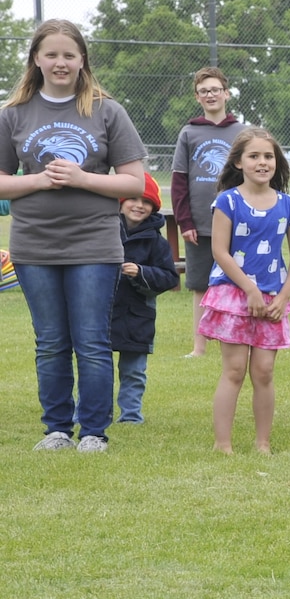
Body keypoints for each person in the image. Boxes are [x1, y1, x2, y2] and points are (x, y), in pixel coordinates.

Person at [0, 19, 147, 451]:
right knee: (50, 343)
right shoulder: (13, 113)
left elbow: (134, 184)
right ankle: (58, 429)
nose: (60, 62)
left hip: (94, 245)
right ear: (36, 60)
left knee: (92, 341)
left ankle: (95, 432)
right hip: (33, 245)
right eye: (52, 54)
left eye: (69, 54)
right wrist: (39, 181)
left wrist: (82, 177)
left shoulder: (107, 110)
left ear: (83, 60)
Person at [201, 128, 290, 455]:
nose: (262, 162)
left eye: (268, 156)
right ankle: (224, 444)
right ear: (238, 162)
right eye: (254, 156)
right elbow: (220, 251)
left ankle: (263, 443)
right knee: (234, 371)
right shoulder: (227, 201)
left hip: (273, 299)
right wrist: (249, 289)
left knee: (264, 372)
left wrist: (284, 296)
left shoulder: (288, 204)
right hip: (234, 296)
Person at [171, 66, 241, 358]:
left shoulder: (243, 132)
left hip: (237, 224)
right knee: (201, 285)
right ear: (197, 97)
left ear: (226, 93)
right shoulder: (189, 132)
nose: (210, 95)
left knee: (238, 282)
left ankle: (237, 340)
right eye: (204, 91)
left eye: (215, 90)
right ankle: (199, 348)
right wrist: (185, 221)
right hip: (199, 225)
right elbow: (178, 180)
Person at [108, 173, 177, 425]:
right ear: (121, 202)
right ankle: (92, 412)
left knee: (134, 372)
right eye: (133, 199)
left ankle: (130, 416)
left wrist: (142, 272)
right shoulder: (104, 231)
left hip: (138, 315)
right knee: (96, 368)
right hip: (102, 311)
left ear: (154, 207)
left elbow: (169, 277)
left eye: (146, 202)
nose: (139, 205)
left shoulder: (156, 242)